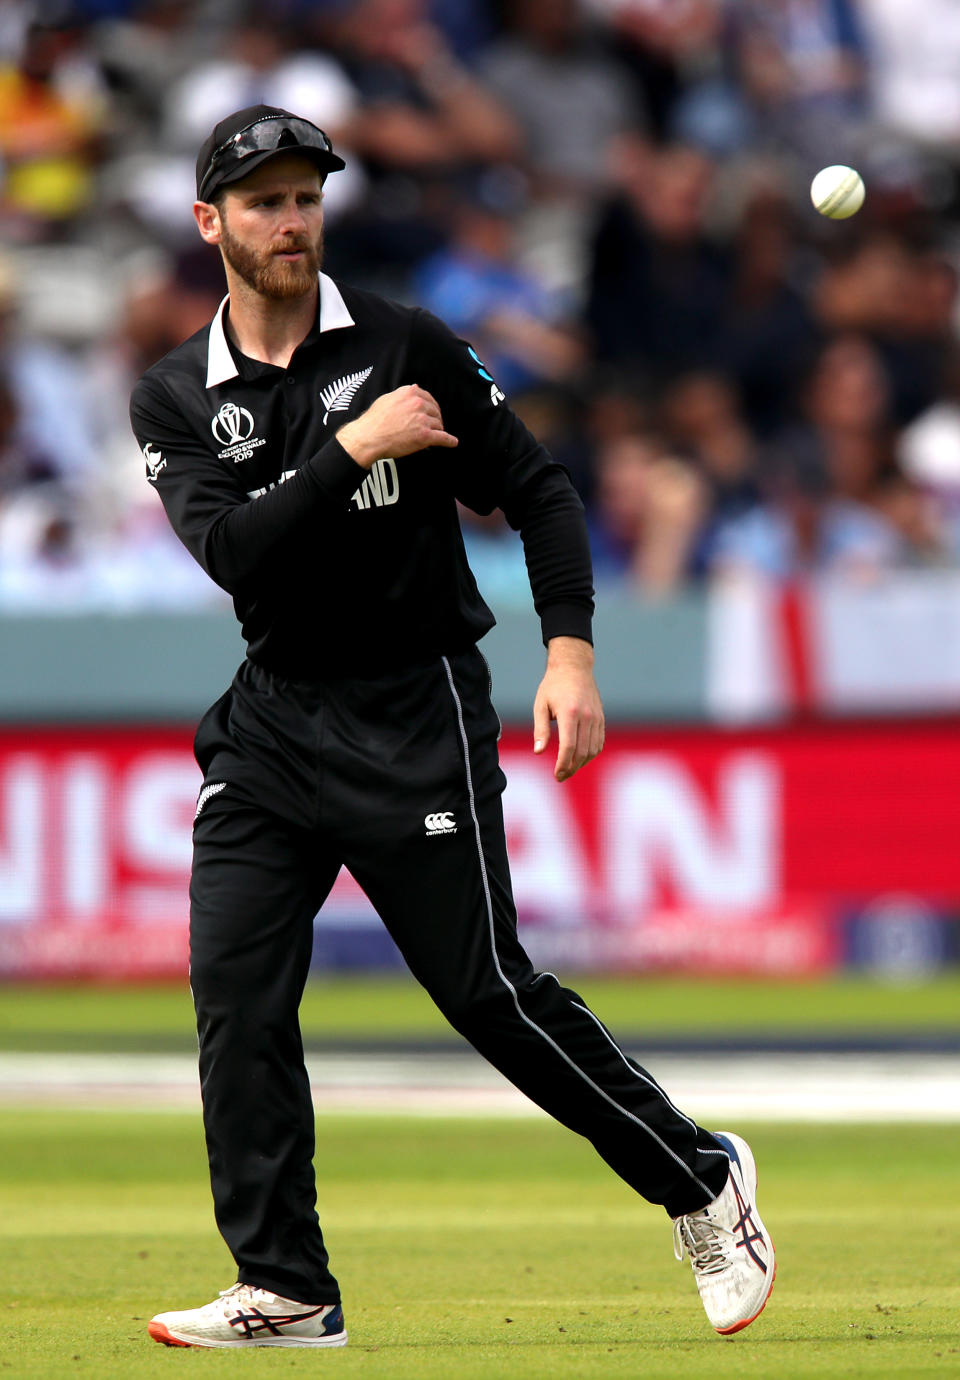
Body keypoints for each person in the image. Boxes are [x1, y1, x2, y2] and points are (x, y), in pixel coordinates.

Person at [129, 104, 775, 1351]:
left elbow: (538, 488)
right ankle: (289, 1288)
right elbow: (233, 554)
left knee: (488, 994)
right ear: (210, 224)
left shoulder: (406, 340)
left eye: (307, 197)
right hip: (271, 720)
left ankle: (700, 1178)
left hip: (413, 705)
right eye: (263, 202)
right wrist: (349, 448)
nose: (293, 221)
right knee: (235, 989)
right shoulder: (173, 394)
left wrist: (571, 651)